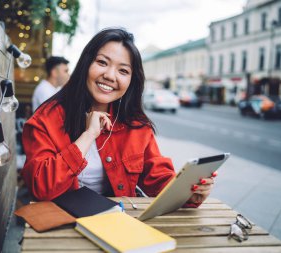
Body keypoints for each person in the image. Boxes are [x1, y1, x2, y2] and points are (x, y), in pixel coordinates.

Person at [21, 28, 216, 207]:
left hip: (117, 223)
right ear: (85, 64)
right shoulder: (46, 119)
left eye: (123, 71)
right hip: (62, 226)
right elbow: (41, 188)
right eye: (102, 63)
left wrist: (189, 193)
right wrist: (88, 135)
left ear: (131, 81)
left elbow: (157, 178)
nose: (110, 76)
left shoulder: (136, 125)